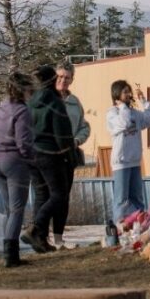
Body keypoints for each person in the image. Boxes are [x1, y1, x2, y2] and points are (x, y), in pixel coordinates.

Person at [20, 64, 75, 254]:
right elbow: (63, 134)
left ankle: (40, 240)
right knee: (59, 195)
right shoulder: (55, 101)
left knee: (42, 196)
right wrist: (69, 154)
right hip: (50, 154)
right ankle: (34, 228)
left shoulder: (31, 100)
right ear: (52, 80)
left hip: (31, 154)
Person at [0, 71, 35, 268]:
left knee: (8, 210)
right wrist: (32, 159)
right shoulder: (22, 111)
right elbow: (24, 142)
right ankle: (12, 257)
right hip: (15, 163)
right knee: (17, 210)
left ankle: (8, 254)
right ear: (24, 90)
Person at [50, 61, 90, 249]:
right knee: (50, 196)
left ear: (72, 79)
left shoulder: (75, 103)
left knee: (64, 196)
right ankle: (42, 234)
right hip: (49, 155)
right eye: (59, 76)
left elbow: (84, 126)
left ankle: (58, 236)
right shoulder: (47, 99)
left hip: (68, 156)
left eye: (67, 77)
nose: (63, 80)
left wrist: (77, 140)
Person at [107, 79, 150, 224]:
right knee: (121, 199)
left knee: (137, 198)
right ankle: (120, 227)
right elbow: (124, 123)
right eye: (125, 92)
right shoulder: (112, 113)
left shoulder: (134, 113)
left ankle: (139, 225)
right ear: (117, 94)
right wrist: (123, 107)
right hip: (121, 162)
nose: (129, 94)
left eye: (129, 91)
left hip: (134, 159)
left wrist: (143, 101)